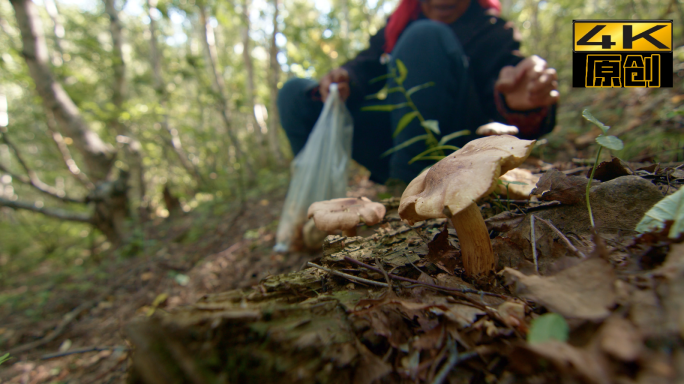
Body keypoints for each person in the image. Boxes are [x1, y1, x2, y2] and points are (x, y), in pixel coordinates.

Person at [277, 0, 559, 187]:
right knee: (294, 94)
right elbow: (366, 66)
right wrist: (344, 79)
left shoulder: (492, 32)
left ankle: (413, 193)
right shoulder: (397, 27)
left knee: (425, 35)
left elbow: (505, 108)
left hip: (460, 153)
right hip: (394, 143)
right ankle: (315, 206)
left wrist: (521, 105)